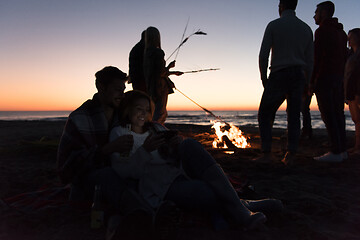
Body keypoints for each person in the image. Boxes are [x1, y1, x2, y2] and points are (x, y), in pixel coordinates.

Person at [109, 90, 283, 231]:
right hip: (160, 186)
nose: (143, 114)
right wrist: (145, 151)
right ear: (127, 109)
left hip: (181, 171)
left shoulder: (156, 127)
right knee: (206, 192)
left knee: (190, 144)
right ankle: (241, 204)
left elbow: (173, 155)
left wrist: (176, 145)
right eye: (138, 108)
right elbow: (125, 172)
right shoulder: (121, 133)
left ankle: (239, 210)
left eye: (147, 110)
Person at [57, 66, 154, 238]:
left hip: (125, 173)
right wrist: (106, 150)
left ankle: (122, 223)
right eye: (117, 90)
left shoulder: (123, 115)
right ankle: (144, 216)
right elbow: (67, 168)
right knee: (107, 175)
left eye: (123, 90)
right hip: (91, 181)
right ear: (100, 87)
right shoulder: (80, 117)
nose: (122, 95)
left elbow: (147, 128)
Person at [257, 0, 314, 164]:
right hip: (299, 74)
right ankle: (291, 154)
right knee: (294, 115)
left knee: (265, 113)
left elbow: (263, 55)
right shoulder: (306, 28)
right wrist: (308, 82)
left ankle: (267, 153)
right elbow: (310, 60)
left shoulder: (274, 25)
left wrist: (264, 78)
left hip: (279, 72)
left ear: (281, 6)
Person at [310, 1, 348, 162]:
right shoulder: (342, 33)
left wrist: (312, 81)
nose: (314, 15)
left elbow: (317, 59)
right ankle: (342, 150)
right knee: (338, 114)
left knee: (328, 114)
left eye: (316, 12)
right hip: (339, 79)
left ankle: (335, 151)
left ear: (324, 13)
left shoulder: (322, 31)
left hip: (325, 78)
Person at [143, 26, 183, 124]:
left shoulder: (146, 53)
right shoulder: (158, 52)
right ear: (157, 37)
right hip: (160, 86)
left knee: (158, 112)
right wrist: (170, 68)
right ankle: (155, 133)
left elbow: (155, 72)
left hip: (151, 86)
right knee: (160, 113)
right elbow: (161, 73)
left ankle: (155, 131)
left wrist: (173, 72)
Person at [344, 28, 360, 154]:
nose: (348, 39)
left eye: (351, 37)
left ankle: (358, 147)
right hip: (351, 91)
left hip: (357, 91)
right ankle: (357, 145)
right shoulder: (350, 54)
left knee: (358, 119)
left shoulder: (357, 56)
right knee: (356, 119)